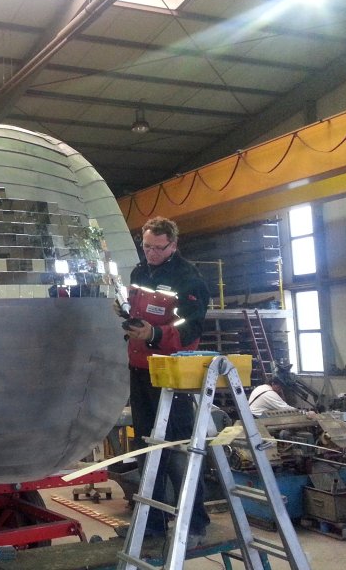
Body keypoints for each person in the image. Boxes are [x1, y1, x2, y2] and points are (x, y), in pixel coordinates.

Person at [113, 216, 211, 547]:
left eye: (158, 248)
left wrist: (154, 334)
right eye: (146, 247)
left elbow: (191, 328)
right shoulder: (140, 273)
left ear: (173, 244)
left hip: (173, 375)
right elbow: (140, 309)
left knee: (180, 451)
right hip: (141, 370)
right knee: (147, 448)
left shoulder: (189, 279)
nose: (151, 253)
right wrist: (125, 313)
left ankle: (195, 523)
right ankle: (152, 524)